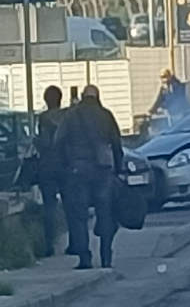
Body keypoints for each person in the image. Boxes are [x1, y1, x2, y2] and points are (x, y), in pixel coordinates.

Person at [55, 84, 123, 269]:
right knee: (106, 213)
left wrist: (65, 167)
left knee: (79, 216)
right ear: (97, 97)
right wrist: (119, 169)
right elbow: (116, 144)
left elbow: (58, 142)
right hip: (103, 170)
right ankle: (106, 257)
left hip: (78, 170)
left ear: (83, 97)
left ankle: (85, 258)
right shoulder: (106, 115)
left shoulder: (70, 116)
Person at [34, 86, 76, 257]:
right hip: (66, 165)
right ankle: (75, 242)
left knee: (49, 206)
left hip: (48, 166)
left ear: (46, 100)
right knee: (71, 206)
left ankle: (49, 245)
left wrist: (36, 142)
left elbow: (44, 142)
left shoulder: (44, 118)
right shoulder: (68, 116)